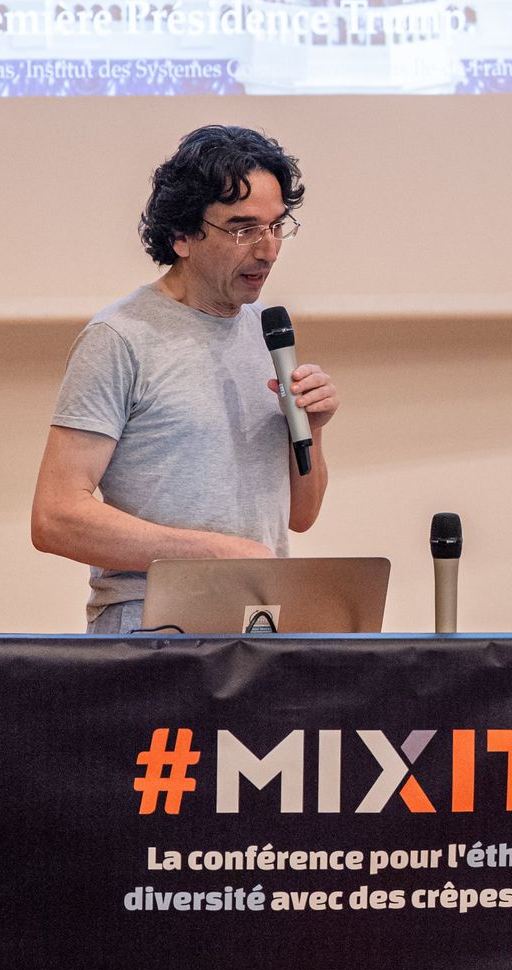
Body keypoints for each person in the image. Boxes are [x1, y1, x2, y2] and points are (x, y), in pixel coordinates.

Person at [30, 125, 340, 633]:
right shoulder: (120, 338)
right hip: (152, 624)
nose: (268, 250)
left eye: (276, 226)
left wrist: (314, 429)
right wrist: (212, 554)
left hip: (259, 621)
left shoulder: (266, 333)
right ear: (182, 236)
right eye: (243, 229)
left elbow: (300, 516)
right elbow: (55, 517)